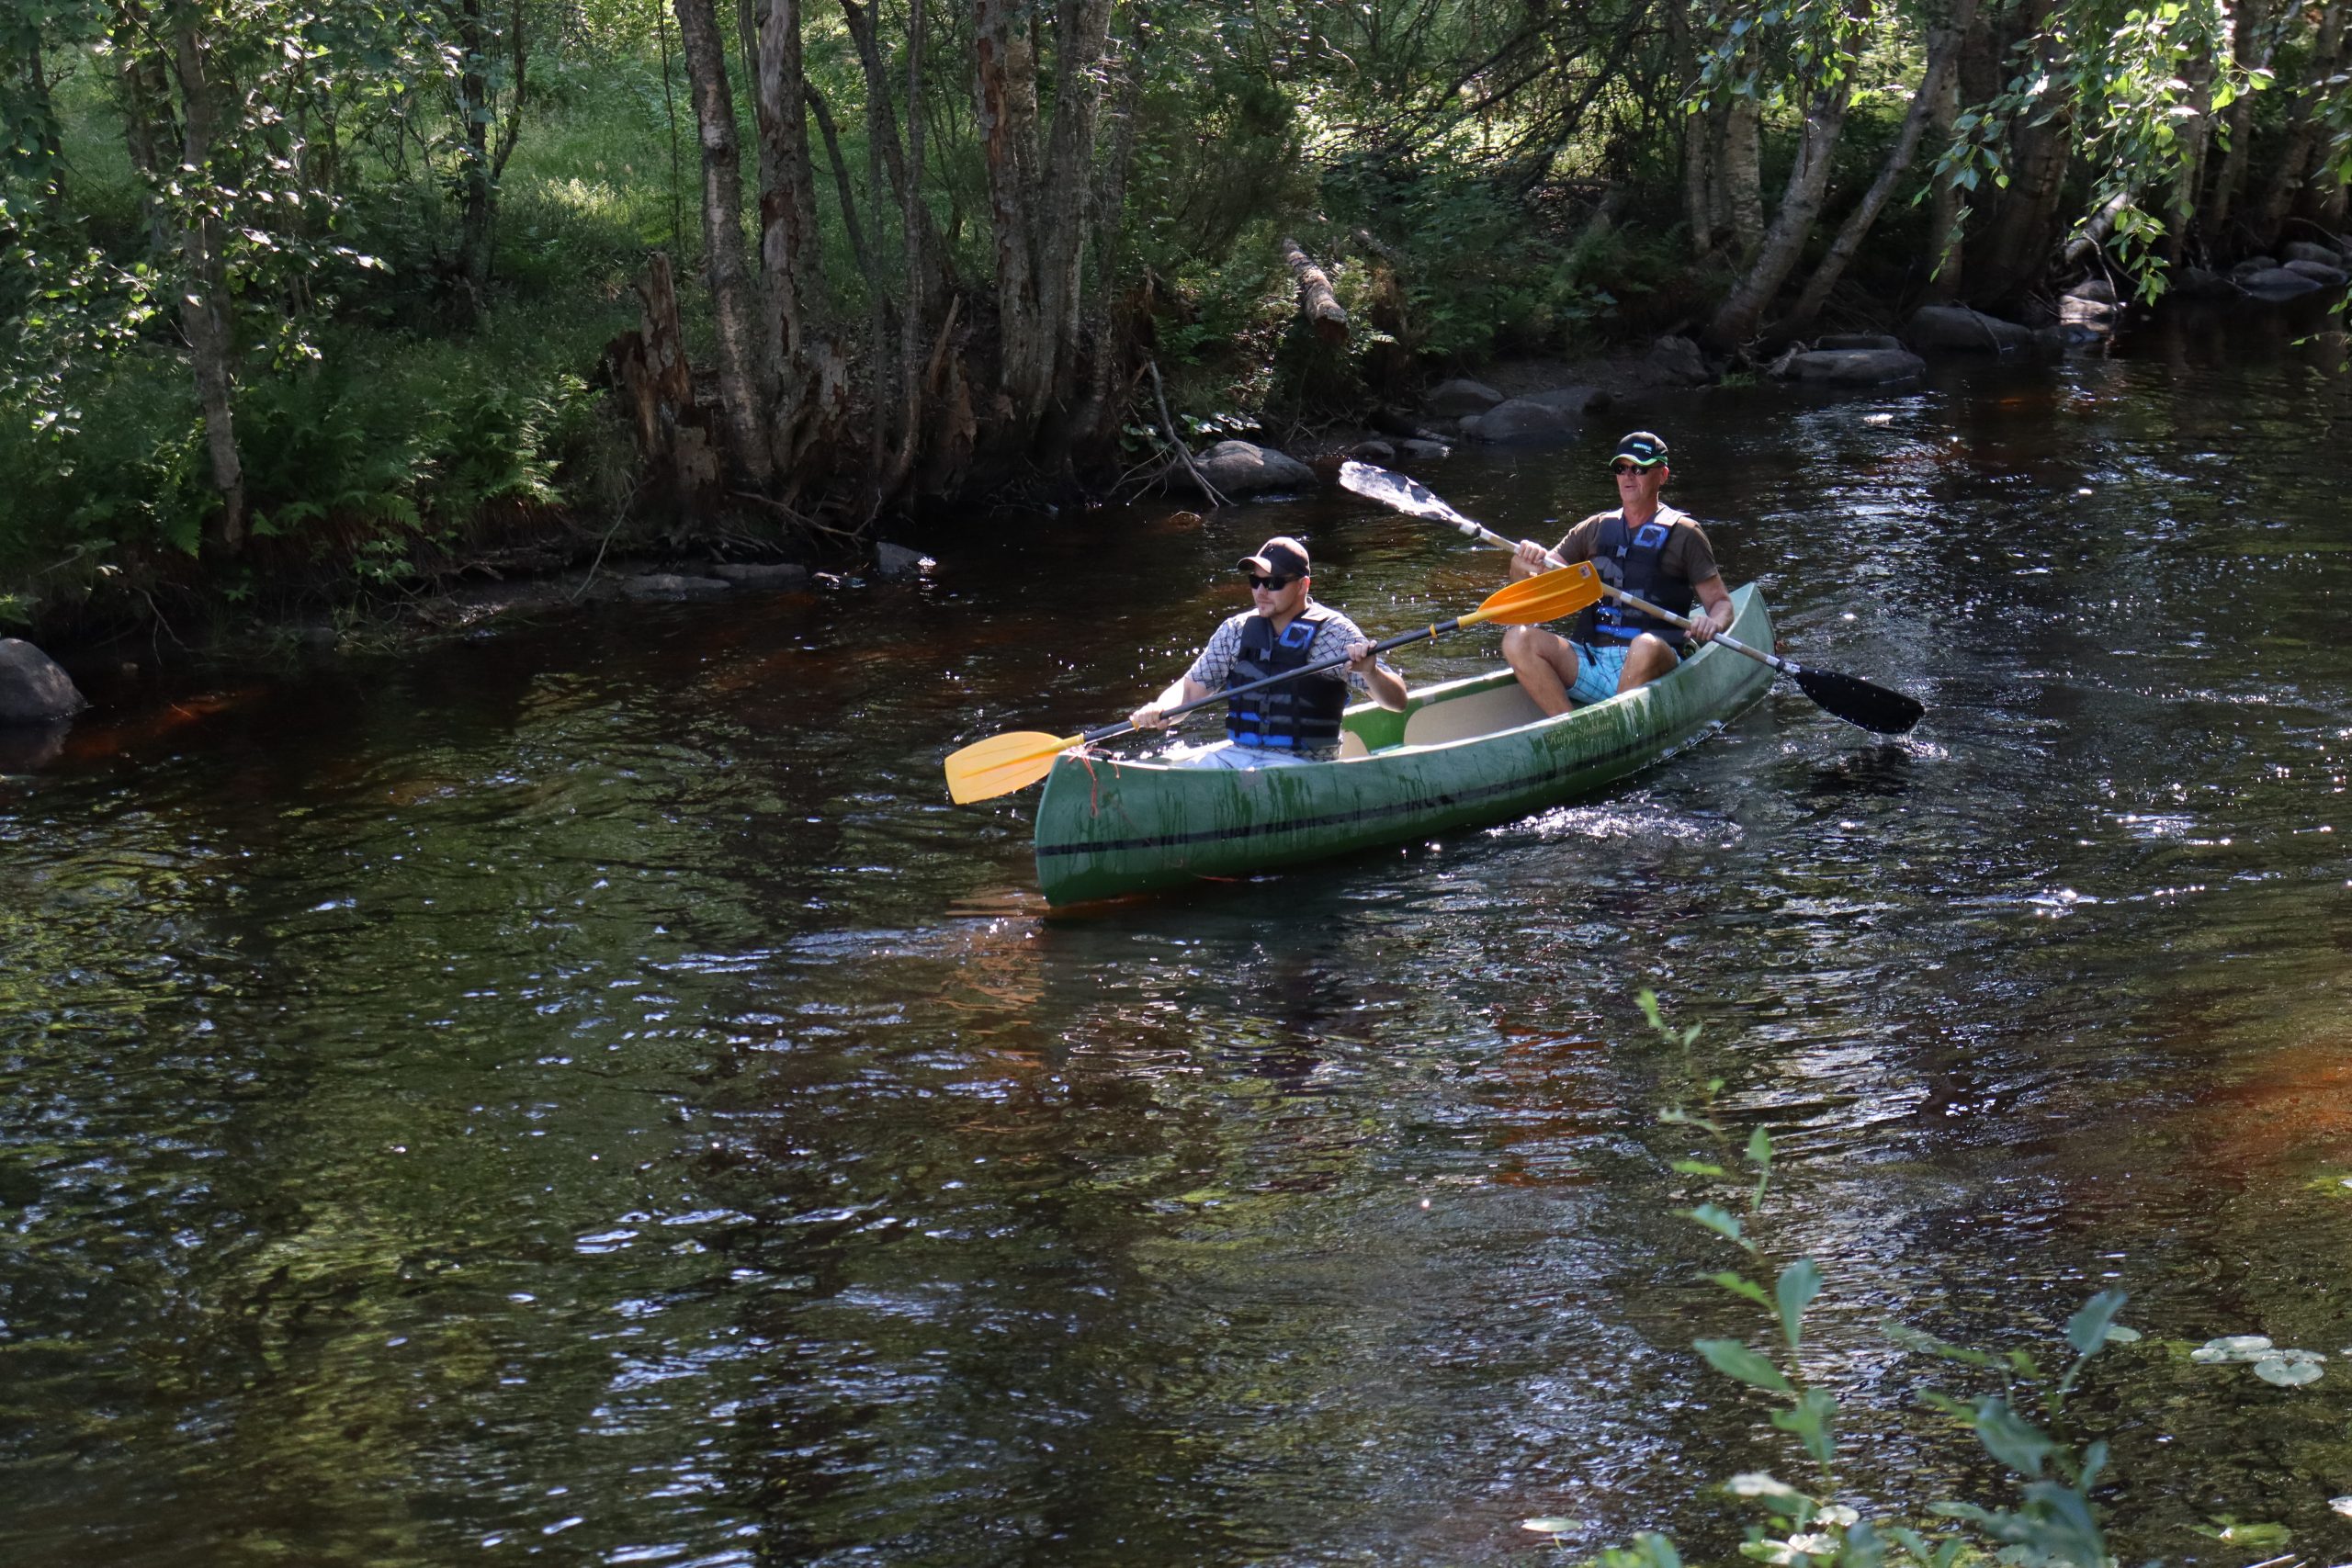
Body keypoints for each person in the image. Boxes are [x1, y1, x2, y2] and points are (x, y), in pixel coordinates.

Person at [1501, 430, 1735, 715]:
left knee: (1644, 645)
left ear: (1662, 475)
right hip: (1593, 660)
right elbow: (1535, 598)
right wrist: (1521, 565)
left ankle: (1615, 725)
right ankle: (1570, 729)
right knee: (1517, 639)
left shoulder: (1686, 534)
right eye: (1621, 468)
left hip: (1654, 660)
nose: (1628, 476)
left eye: (1639, 468)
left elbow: (1721, 604)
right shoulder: (1594, 528)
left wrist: (1712, 623)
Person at [1128, 536, 1409, 767]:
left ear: (1303, 585)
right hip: (1238, 756)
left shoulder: (1334, 634)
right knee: (1186, 770)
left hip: (1304, 764)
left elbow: (1397, 702)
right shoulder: (1236, 630)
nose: (1261, 591)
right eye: (1255, 581)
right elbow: (1190, 692)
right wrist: (1161, 708)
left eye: (1273, 583)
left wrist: (1371, 672)